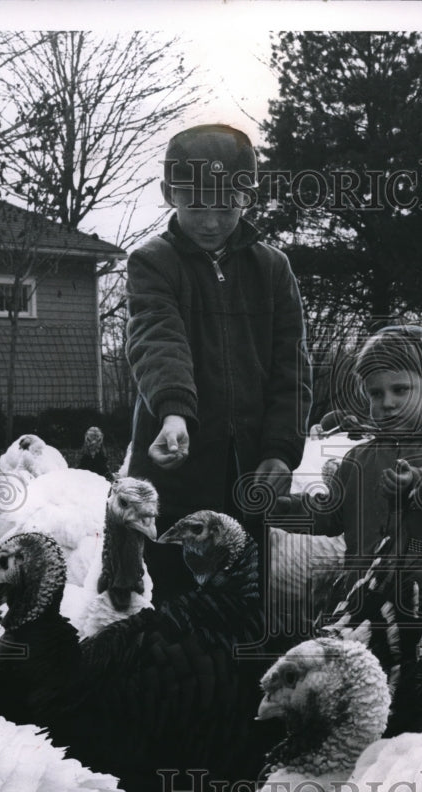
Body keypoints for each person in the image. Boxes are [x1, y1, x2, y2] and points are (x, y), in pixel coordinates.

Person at [125, 123, 311, 600]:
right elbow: (157, 338)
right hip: (175, 469)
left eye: (225, 206)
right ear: (170, 194)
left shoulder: (272, 269)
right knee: (176, 609)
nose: (210, 221)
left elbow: (292, 368)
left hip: (251, 474)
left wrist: (280, 448)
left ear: (248, 198)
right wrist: (172, 413)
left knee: (245, 599)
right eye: (196, 206)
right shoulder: (153, 262)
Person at [275, 325, 422, 735]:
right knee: (360, 700)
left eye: (400, 390)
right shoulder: (357, 458)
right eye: (376, 394)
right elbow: (326, 515)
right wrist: (277, 508)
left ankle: (416, 769)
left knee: (417, 700)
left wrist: (415, 482)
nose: (388, 403)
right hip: (363, 595)